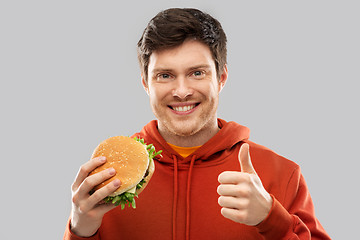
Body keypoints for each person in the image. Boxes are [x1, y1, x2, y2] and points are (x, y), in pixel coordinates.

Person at [63, 8, 330, 240]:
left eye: (197, 73)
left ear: (222, 77)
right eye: (165, 75)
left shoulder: (281, 174)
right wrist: (80, 229)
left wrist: (271, 219)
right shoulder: (109, 181)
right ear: (146, 83)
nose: (181, 91)